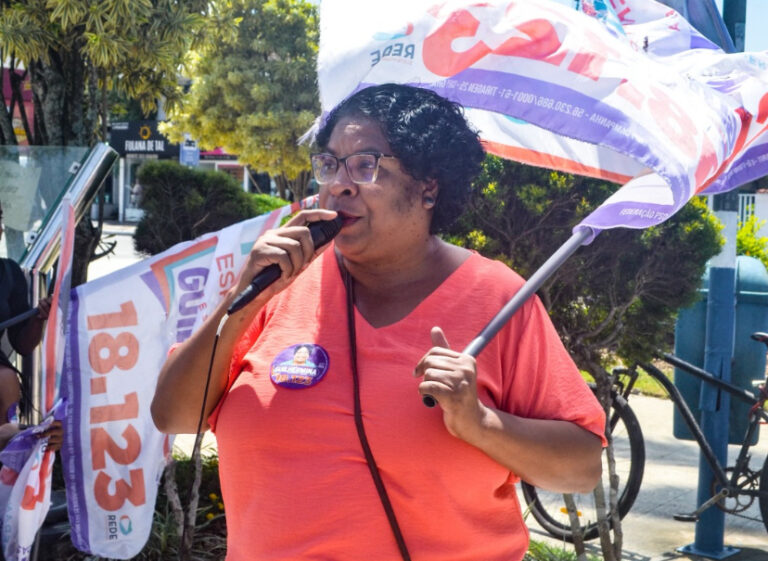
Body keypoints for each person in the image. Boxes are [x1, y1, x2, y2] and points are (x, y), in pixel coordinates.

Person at [152, 84, 606, 561]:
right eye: (329, 164)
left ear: (428, 186)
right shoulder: (278, 285)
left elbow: (580, 469)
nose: (338, 185)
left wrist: (482, 424)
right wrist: (243, 299)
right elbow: (173, 415)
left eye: (365, 166)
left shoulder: (497, 299)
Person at [0, 202, 62, 451]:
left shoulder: (8, 273)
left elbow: (23, 345)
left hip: (2, 375)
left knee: (5, 378)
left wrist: (39, 318)